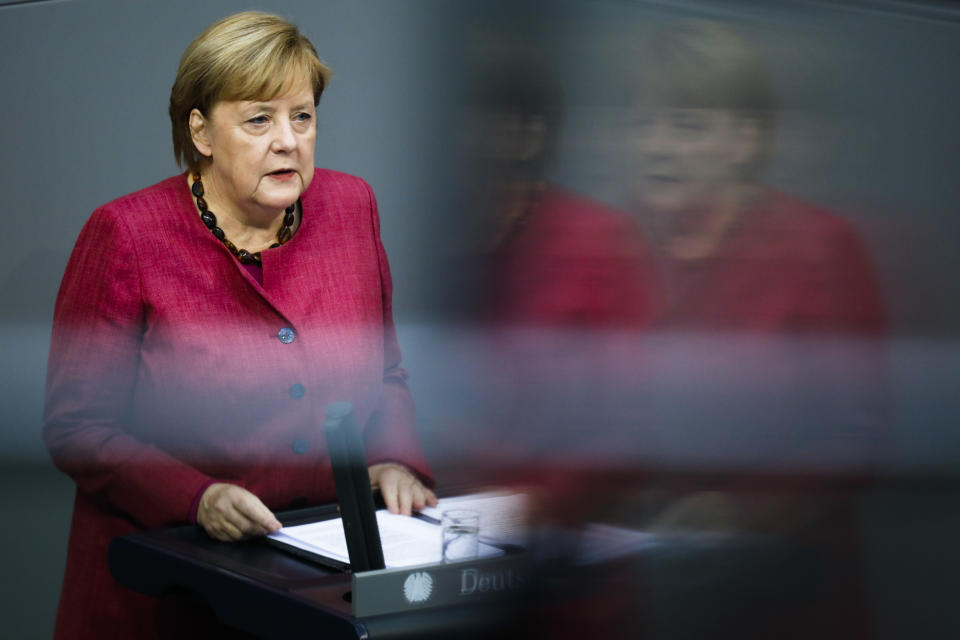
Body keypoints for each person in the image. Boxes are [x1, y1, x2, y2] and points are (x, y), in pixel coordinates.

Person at [43, 11, 435, 639]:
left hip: (313, 588)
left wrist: (393, 460)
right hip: (165, 591)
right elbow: (77, 426)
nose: (288, 140)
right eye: (259, 119)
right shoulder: (126, 235)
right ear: (201, 131)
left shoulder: (352, 205)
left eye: (301, 116)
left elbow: (385, 369)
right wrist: (196, 497)